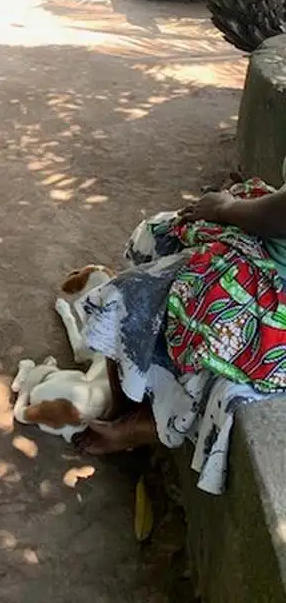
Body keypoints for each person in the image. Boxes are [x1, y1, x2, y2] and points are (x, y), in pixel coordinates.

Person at [76, 173, 286, 495]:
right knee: (158, 234)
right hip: (269, 244)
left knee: (150, 296)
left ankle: (145, 424)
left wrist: (225, 209)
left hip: (276, 287)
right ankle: (131, 399)